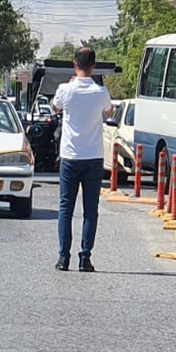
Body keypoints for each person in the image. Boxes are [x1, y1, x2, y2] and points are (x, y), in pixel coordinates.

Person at [51, 47, 114, 272]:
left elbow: (55, 106)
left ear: (75, 65)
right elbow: (109, 112)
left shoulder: (65, 90)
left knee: (66, 207)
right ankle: (85, 257)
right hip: (94, 156)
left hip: (70, 155)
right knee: (90, 210)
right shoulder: (100, 92)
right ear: (94, 67)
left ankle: (63, 258)